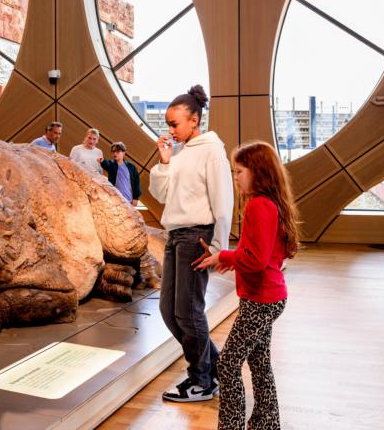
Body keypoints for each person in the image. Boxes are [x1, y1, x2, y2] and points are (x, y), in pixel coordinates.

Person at [195, 141, 299, 430]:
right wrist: (231, 259)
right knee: (259, 361)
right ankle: (267, 422)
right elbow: (256, 254)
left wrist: (224, 255)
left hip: (261, 300)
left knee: (227, 364)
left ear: (258, 172)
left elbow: (255, 259)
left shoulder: (258, 205)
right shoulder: (269, 203)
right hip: (268, 297)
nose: (236, 177)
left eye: (239, 171)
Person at [149, 84, 234, 402]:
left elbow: (223, 202)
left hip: (197, 236)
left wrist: (218, 248)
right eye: (169, 124)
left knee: (188, 312)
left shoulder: (212, 150)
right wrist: (165, 161)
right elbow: (160, 195)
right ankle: (214, 368)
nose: (170, 129)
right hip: (175, 237)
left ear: (194, 120)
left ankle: (202, 380)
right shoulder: (182, 153)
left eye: (174, 123)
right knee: (170, 312)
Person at [99, 141, 141, 205]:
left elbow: (136, 182)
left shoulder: (131, 167)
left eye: (118, 151)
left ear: (124, 152)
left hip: (129, 199)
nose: (115, 154)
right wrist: (102, 160)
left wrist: (135, 198)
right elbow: (106, 164)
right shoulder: (111, 165)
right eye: (113, 151)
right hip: (115, 199)